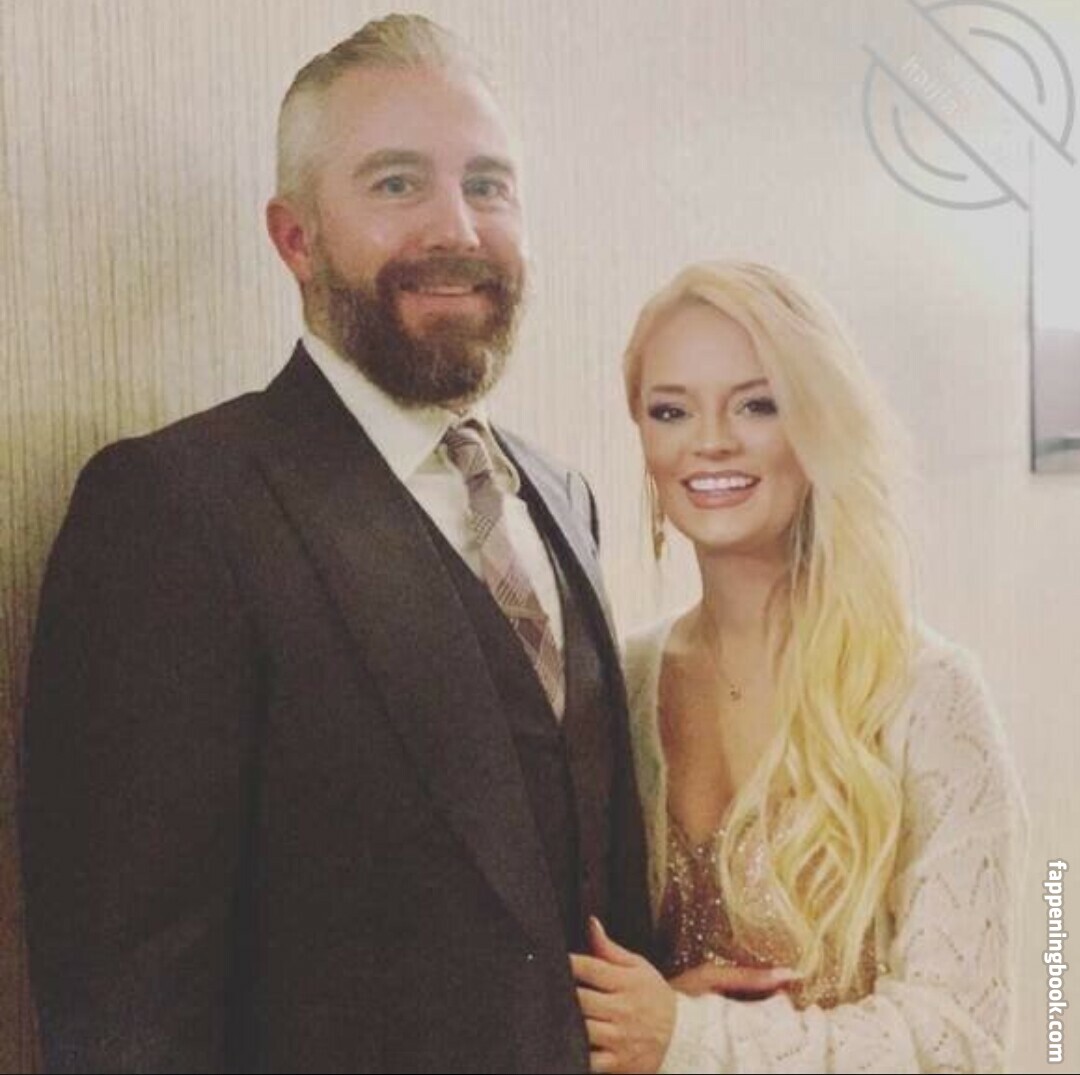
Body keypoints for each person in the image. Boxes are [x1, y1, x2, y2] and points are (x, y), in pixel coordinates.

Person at [19, 15, 652, 1074]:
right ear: (295, 238)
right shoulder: (176, 510)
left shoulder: (562, 495)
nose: (457, 226)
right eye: (397, 183)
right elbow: (126, 1001)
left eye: (488, 184)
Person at [570, 260, 1026, 1074]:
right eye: (672, 410)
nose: (711, 439)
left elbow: (962, 1041)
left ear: (819, 424)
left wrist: (692, 1036)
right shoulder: (619, 682)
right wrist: (659, 1012)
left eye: (757, 404)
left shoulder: (929, 696)